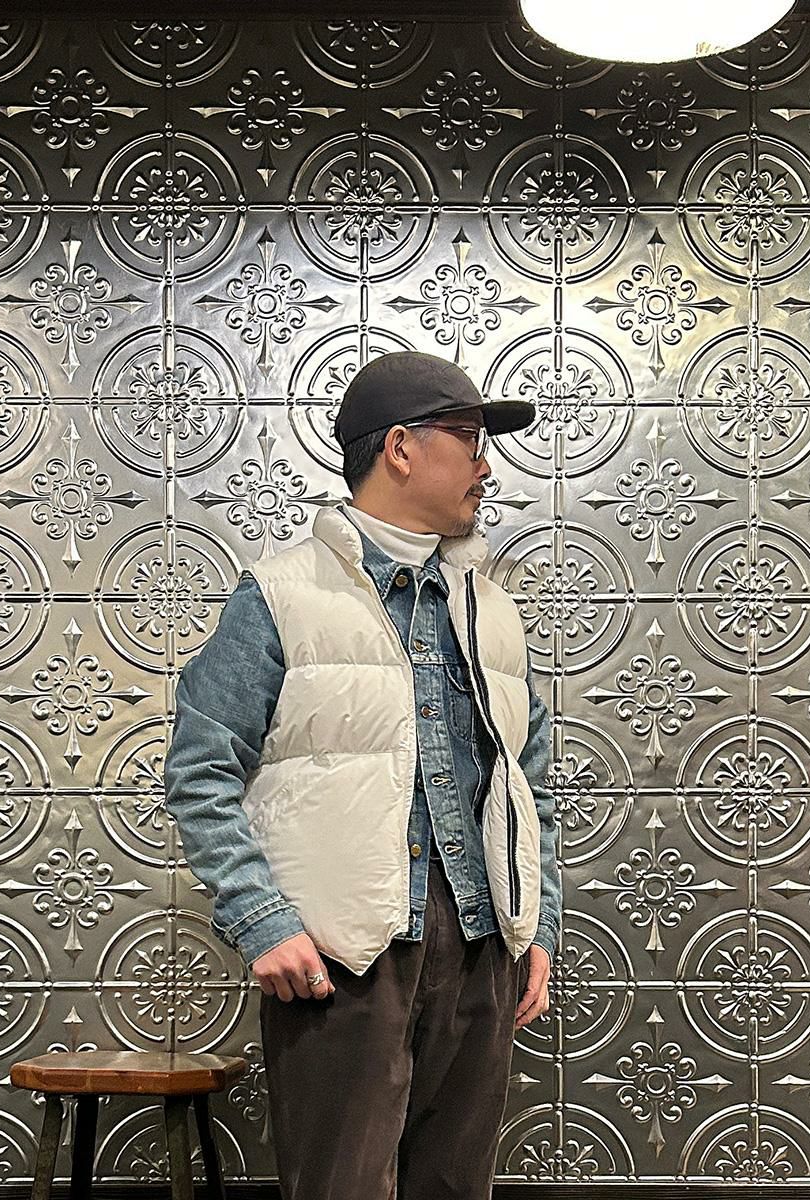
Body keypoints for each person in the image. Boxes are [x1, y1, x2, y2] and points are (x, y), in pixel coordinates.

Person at [164, 349, 562, 1200]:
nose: (486, 466)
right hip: (345, 959)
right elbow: (200, 771)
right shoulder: (280, 595)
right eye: (468, 439)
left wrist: (539, 926)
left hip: (483, 948)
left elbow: (528, 784)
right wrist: (263, 922)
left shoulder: (492, 608)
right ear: (401, 448)